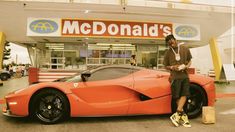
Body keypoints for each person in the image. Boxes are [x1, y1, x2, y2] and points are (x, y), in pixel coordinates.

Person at [163, 34, 192, 128]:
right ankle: (183, 117)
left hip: (185, 76)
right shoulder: (168, 53)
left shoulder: (184, 48)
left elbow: (190, 60)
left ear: (175, 40)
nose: (171, 44)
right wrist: (172, 67)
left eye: (172, 42)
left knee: (185, 94)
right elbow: (165, 66)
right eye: (169, 44)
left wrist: (187, 66)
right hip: (174, 77)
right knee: (177, 97)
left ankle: (176, 115)